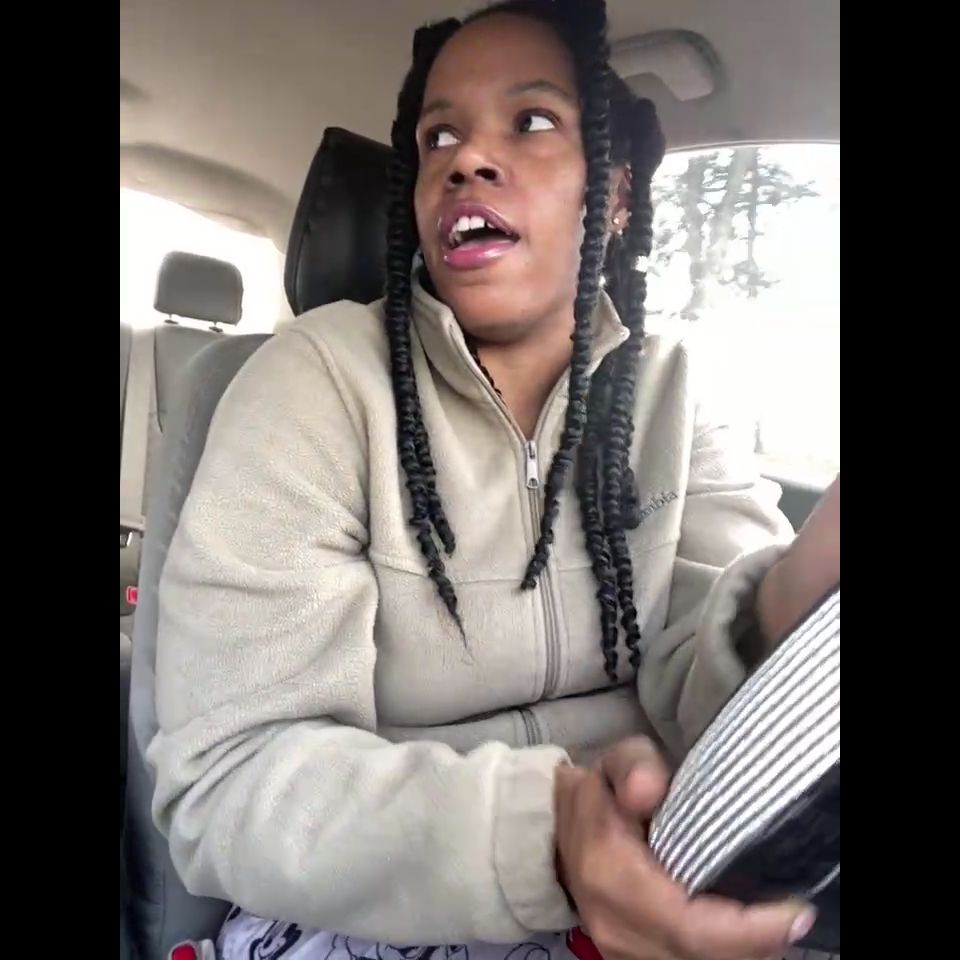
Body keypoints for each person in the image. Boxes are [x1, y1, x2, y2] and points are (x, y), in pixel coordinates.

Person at [149, 2, 840, 959]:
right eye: (440, 137)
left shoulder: (671, 394)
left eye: (532, 121)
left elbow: (708, 683)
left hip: (648, 870)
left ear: (618, 193)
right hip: (359, 908)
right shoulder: (315, 385)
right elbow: (227, 778)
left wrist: (790, 598)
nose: (467, 159)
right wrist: (543, 836)